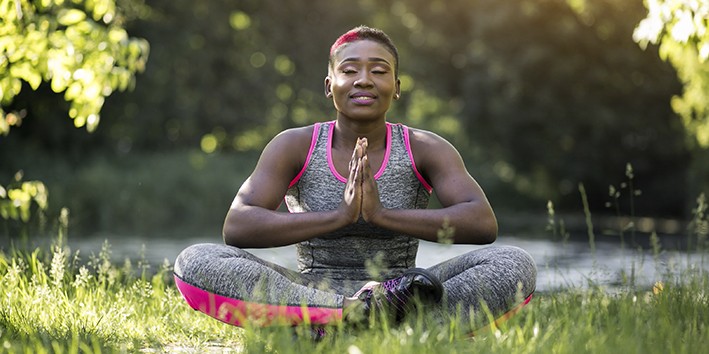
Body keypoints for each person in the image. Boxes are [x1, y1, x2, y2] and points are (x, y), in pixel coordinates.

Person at [173, 25, 536, 336]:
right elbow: (237, 226)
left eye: (379, 70)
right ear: (330, 85)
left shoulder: (426, 148)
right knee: (197, 259)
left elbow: (482, 223)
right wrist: (339, 216)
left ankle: (333, 325)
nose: (364, 79)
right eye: (350, 70)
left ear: (396, 86)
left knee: (512, 262)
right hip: (314, 289)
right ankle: (354, 314)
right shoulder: (294, 145)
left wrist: (380, 214)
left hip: (402, 292)